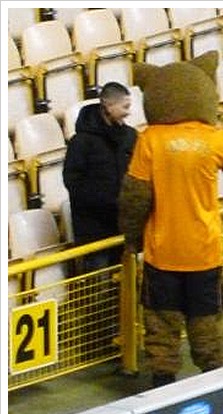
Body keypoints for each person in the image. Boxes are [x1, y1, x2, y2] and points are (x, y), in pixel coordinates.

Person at [118, 53, 223, 388]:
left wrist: (132, 238)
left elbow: (135, 197)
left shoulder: (149, 140)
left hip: (162, 252)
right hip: (205, 251)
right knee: (207, 321)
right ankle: (214, 379)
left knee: (161, 323)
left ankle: (163, 382)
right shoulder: (215, 137)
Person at [63, 82, 137, 272]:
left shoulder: (131, 136)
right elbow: (73, 182)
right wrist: (109, 200)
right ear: (107, 106)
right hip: (94, 233)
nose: (128, 112)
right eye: (125, 107)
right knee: (98, 292)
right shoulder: (80, 142)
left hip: (124, 228)